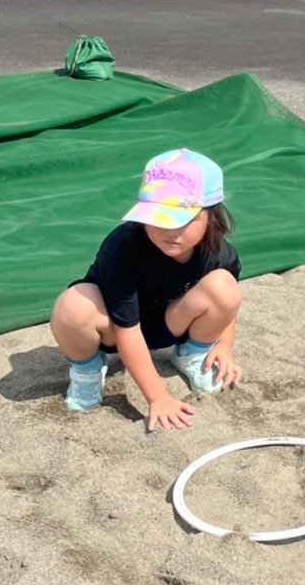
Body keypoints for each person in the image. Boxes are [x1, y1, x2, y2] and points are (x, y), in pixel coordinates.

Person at [50, 148, 243, 432]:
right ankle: (87, 369)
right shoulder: (124, 248)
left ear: (211, 215)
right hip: (113, 327)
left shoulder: (219, 253)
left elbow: (230, 304)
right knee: (72, 306)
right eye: (158, 218)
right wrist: (158, 396)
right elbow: (127, 330)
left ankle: (192, 353)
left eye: (184, 219)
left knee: (225, 287)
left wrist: (224, 346)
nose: (170, 231)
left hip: (168, 322)